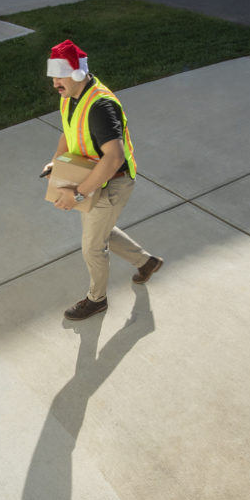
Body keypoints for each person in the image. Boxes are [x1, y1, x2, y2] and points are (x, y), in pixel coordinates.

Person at [44, 39, 163, 321]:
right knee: (100, 232)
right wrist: (57, 163)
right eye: (53, 77)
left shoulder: (100, 106)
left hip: (113, 183)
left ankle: (97, 300)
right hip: (95, 178)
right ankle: (147, 262)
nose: (55, 84)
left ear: (76, 73)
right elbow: (67, 133)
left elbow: (114, 158)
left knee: (92, 246)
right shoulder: (70, 97)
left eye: (59, 76)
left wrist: (79, 194)